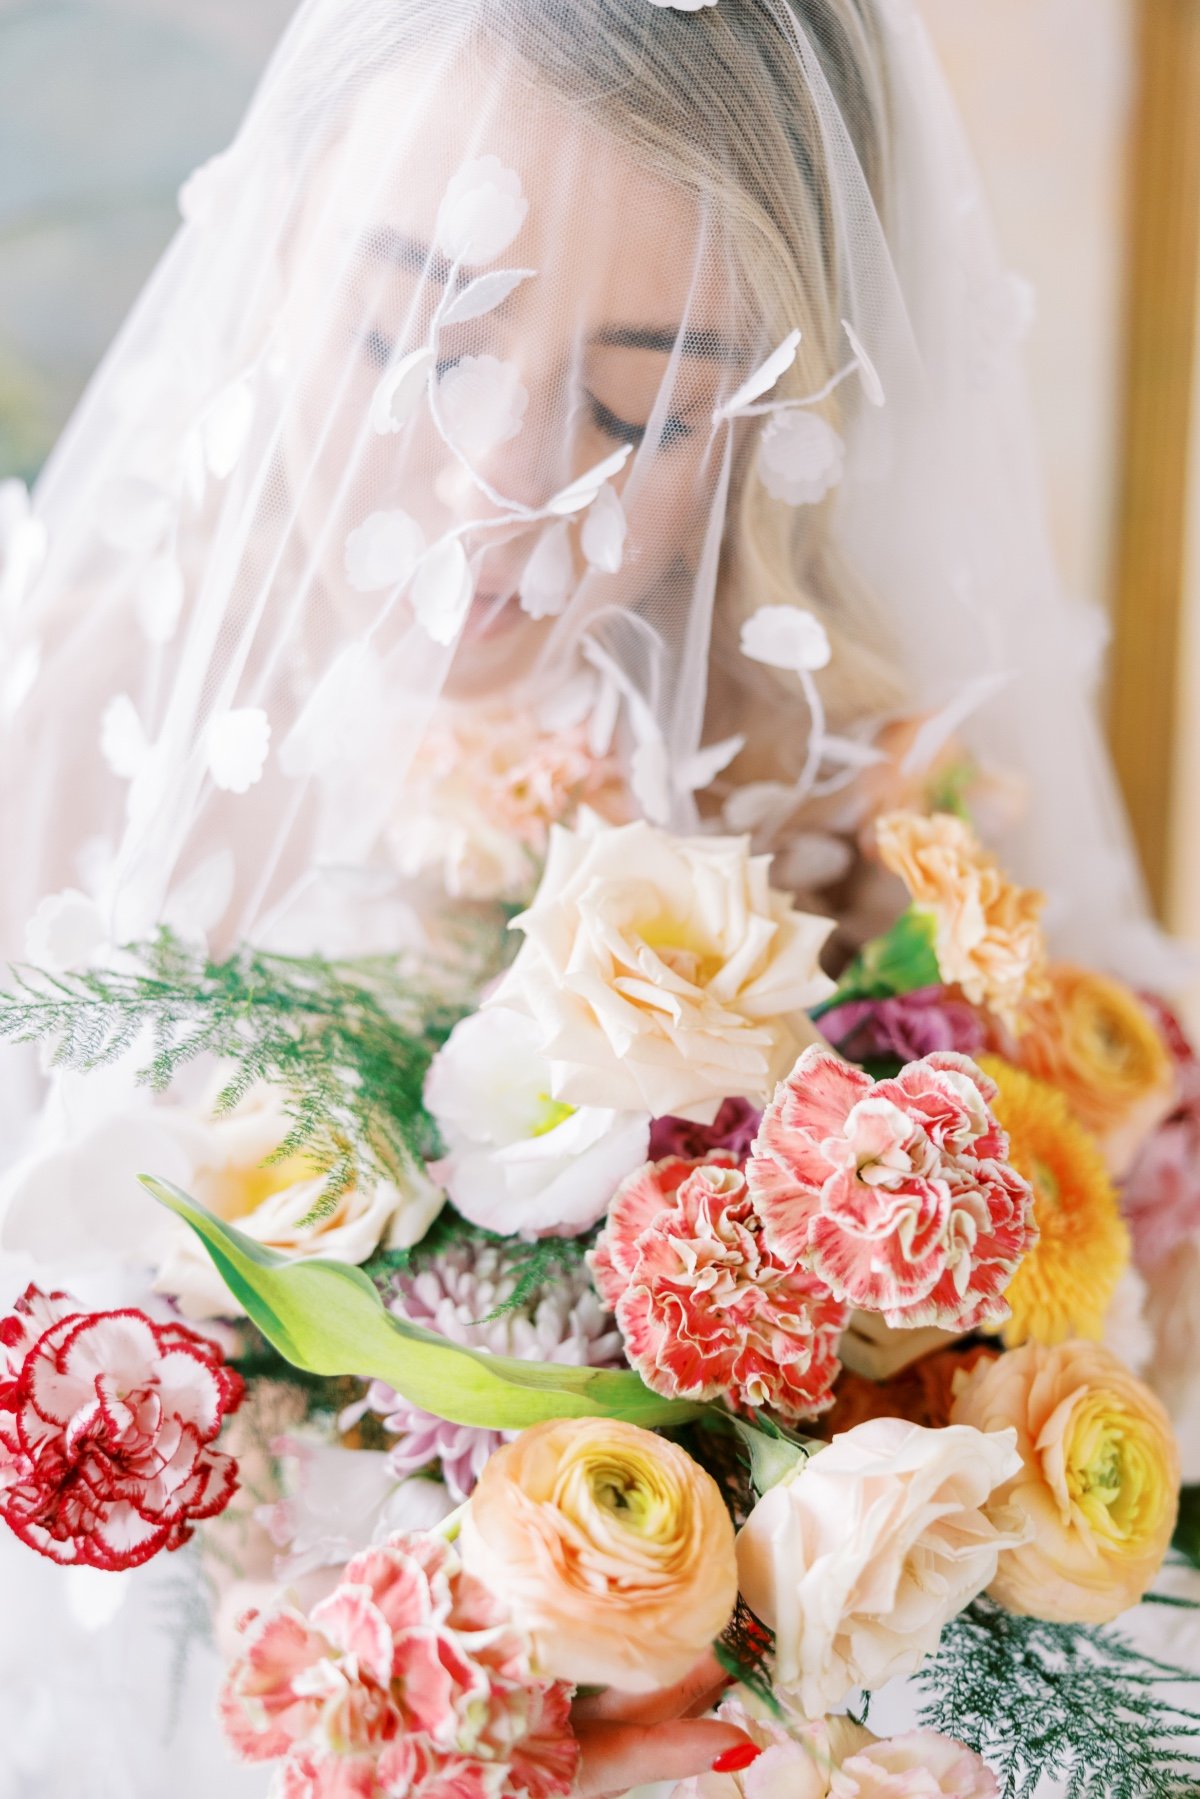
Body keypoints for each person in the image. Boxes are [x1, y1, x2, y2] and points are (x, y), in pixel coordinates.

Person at [0, 0, 1169, 1792]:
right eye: (414, 336)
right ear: (276, 240)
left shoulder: (866, 831)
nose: (498, 497)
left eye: (649, 406)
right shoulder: (58, 737)